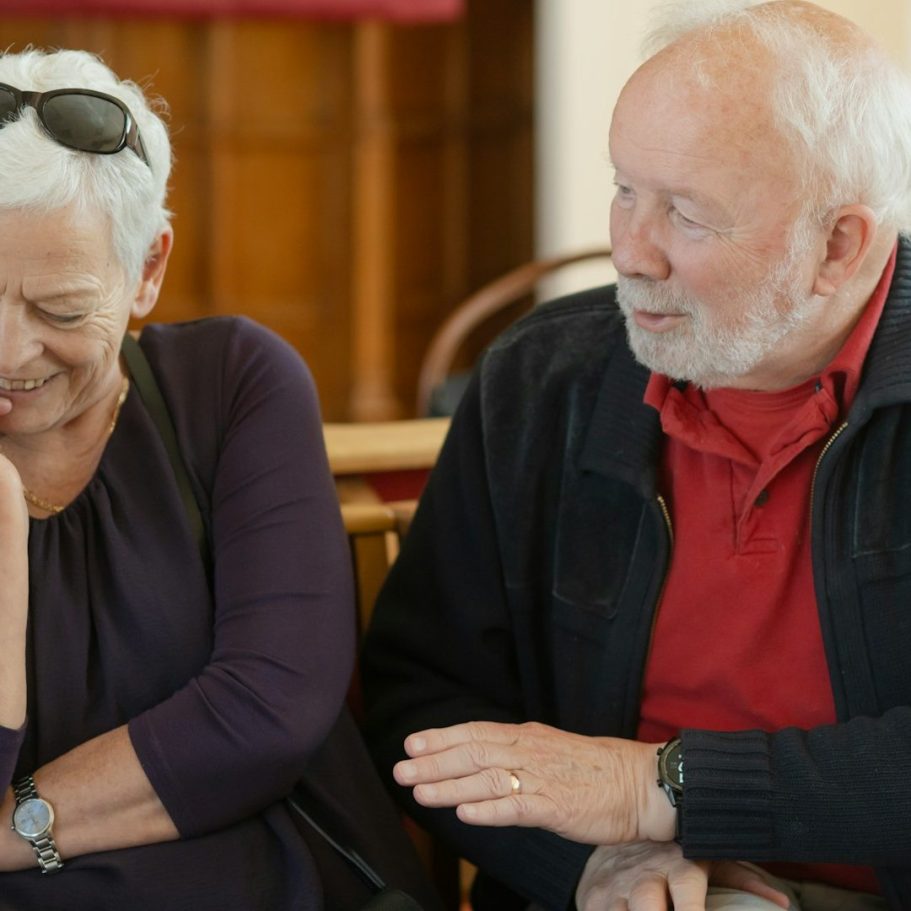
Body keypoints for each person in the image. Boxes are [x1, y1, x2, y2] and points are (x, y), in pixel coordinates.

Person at [360, 1, 911, 909]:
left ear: (837, 245)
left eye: (686, 216)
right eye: (624, 189)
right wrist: (587, 863)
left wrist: (660, 787)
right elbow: (421, 694)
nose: (628, 252)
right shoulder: (541, 378)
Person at [0, 47, 419, 911]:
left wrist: (19, 825)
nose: (8, 352)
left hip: (266, 880)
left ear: (148, 269)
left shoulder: (230, 384)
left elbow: (267, 711)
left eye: (61, 309)